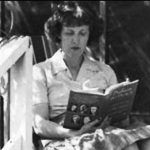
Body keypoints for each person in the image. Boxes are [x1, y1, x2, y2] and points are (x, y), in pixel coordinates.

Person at [32, 1, 150, 150]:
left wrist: (120, 108)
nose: (76, 40)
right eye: (69, 33)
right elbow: (39, 124)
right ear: (58, 35)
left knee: (138, 144)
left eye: (82, 33)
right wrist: (69, 132)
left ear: (89, 35)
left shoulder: (105, 71)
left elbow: (122, 123)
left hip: (103, 133)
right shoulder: (41, 71)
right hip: (63, 137)